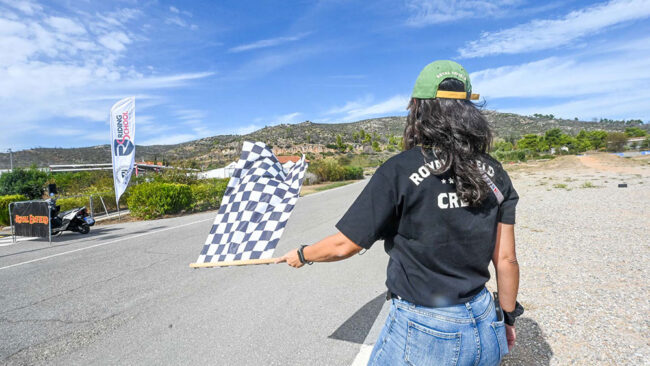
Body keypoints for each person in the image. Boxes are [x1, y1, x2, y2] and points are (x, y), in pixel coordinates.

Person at [277, 60, 522, 366]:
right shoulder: (495, 172)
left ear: (419, 108)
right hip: (485, 320)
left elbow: (345, 245)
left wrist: (302, 255)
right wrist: (508, 318)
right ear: (468, 111)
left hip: (424, 328)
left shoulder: (400, 169)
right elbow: (506, 260)